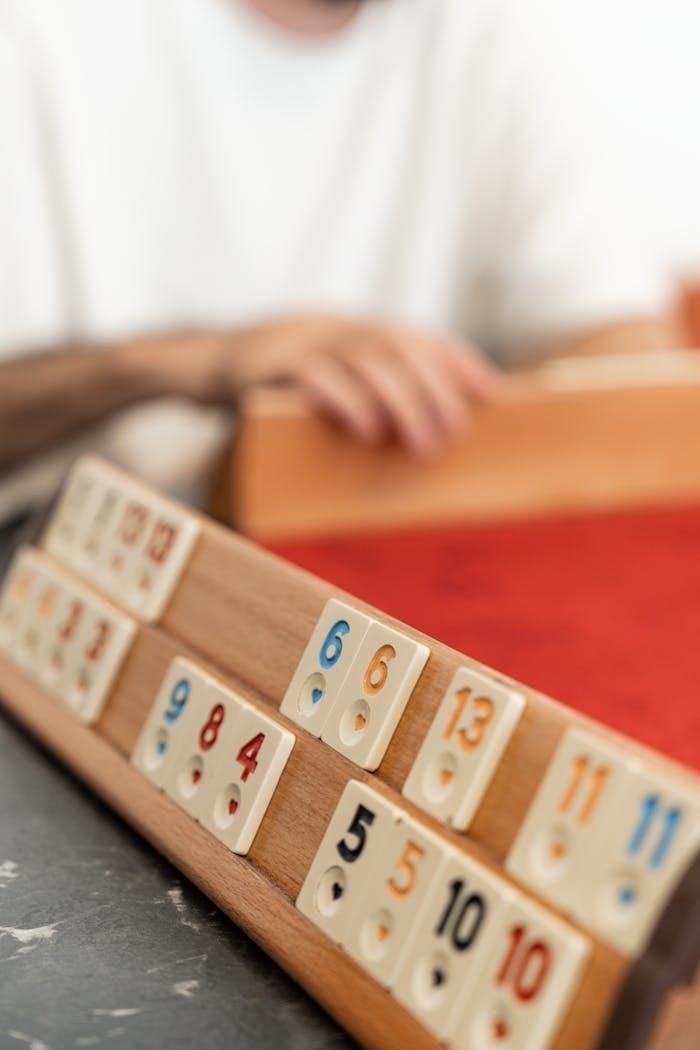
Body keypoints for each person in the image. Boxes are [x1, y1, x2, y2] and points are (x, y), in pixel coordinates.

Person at [0, 0, 681, 523]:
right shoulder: (40, 31)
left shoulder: (479, 36)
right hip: (70, 567)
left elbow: (626, 356)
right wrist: (198, 362)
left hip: (364, 556)